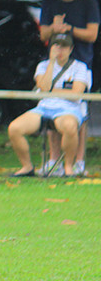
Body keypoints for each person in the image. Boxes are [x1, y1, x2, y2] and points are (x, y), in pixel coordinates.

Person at [37, 0, 99, 176]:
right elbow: (43, 34)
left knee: (79, 111)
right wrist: (54, 28)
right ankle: (53, 159)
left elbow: (92, 34)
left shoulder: (88, 2)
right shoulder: (50, 1)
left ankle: (78, 161)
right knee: (52, 106)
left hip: (80, 63)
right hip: (55, 63)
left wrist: (69, 29)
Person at [8, 32, 92, 178]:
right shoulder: (43, 66)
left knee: (69, 126)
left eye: (64, 47)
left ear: (71, 49)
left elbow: (76, 94)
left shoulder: (80, 67)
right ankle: (27, 167)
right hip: (44, 107)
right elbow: (44, 87)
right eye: (56, 46)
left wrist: (51, 91)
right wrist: (52, 62)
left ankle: (68, 167)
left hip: (69, 109)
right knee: (14, 128)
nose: (60, 50)